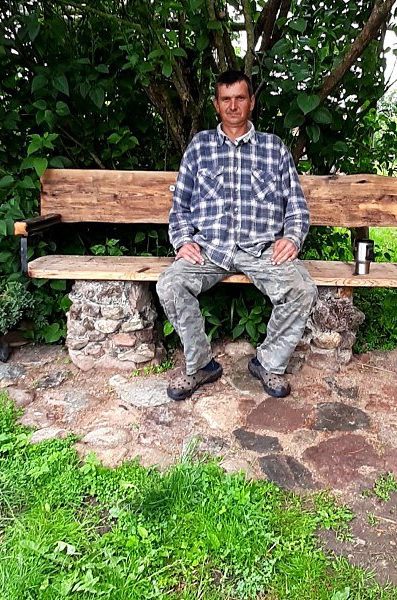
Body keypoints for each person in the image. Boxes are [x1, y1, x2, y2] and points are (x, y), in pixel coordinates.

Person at [156, 70, 317, 400]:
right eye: (226, 99)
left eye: (240, 98)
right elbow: (180, 206)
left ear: (251, 102)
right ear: (216, 104)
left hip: (262, 249)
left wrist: (291, 237)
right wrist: (183, 240)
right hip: (210, 249)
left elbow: (297, 207)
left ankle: (268, 362)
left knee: (302, 290)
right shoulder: (200, 147)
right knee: (170, 285)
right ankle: (200, 365)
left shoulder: (273, 148)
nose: (233, 106)